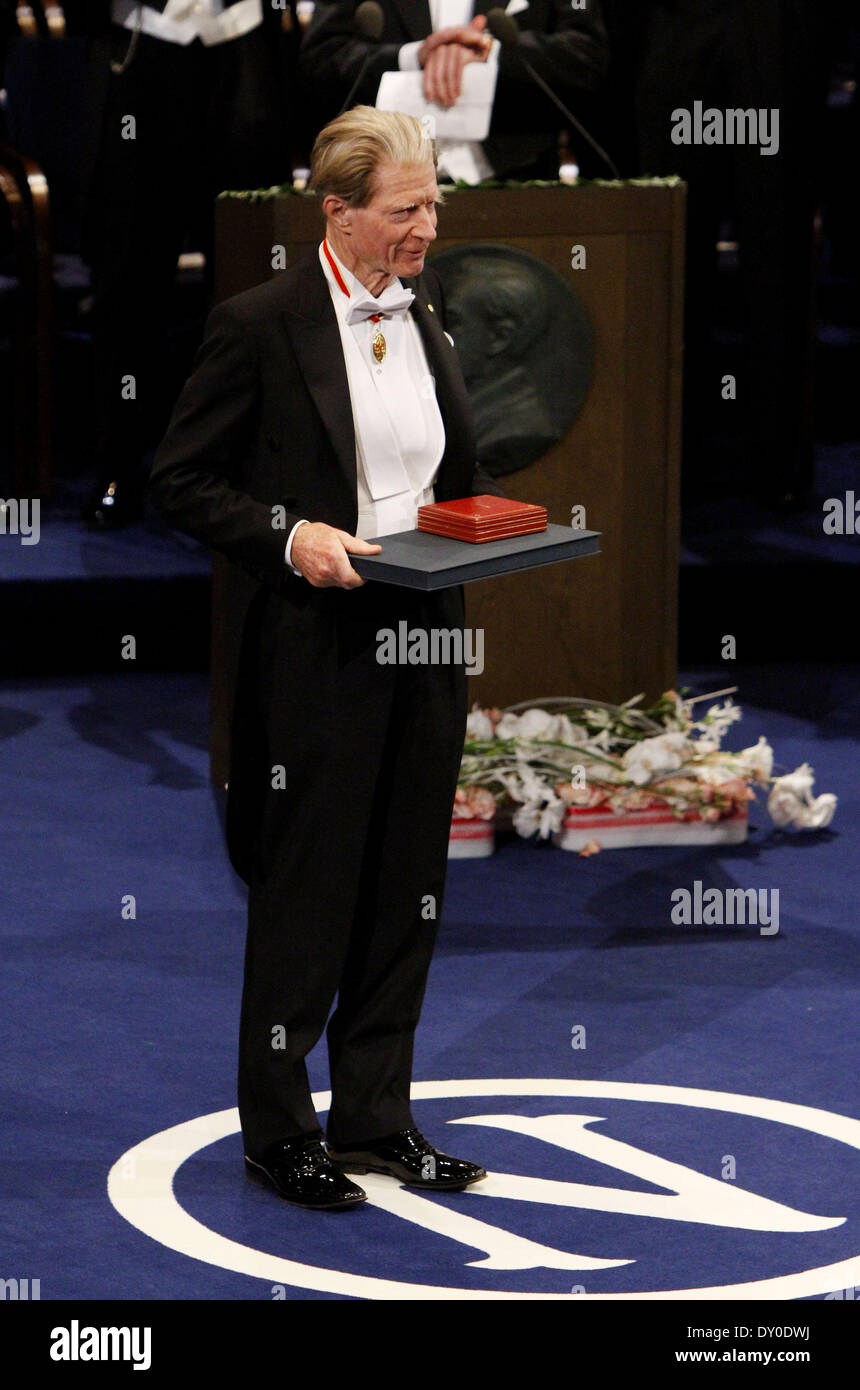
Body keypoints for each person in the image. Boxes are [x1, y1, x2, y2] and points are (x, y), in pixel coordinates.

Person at [147, 107, 503, 1209]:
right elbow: (180, 481)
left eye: (433, 204)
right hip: (317, 644)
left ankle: (377, 1117)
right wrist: (291, 535)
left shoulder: (425, 306)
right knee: (309, 888)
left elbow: (440, 472)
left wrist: (488, 524)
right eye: (404, 210)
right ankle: (279, 1130)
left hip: (426, 628)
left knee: (407, 883)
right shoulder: (259, 323)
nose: (426, 227)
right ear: (337, 211)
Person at [301, 0, 609, 182]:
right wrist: (412, 56)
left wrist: (491, 52)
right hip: (377, 182)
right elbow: (322, 57)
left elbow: (585, 56)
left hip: (518, 180)